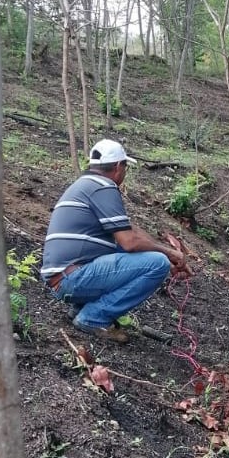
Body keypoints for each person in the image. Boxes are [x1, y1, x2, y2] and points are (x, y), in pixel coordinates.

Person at [41, 139, 190, 342]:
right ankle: (93, 317)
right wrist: (169, 254)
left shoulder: (86, 186)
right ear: (119, 167)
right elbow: (129, 241)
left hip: (64, 278)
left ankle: (81, 308)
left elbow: (130, 231)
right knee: (157, 264)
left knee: (144, 255)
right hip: (72, 278)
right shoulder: (103, 187)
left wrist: (162, 251)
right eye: (126, 167)